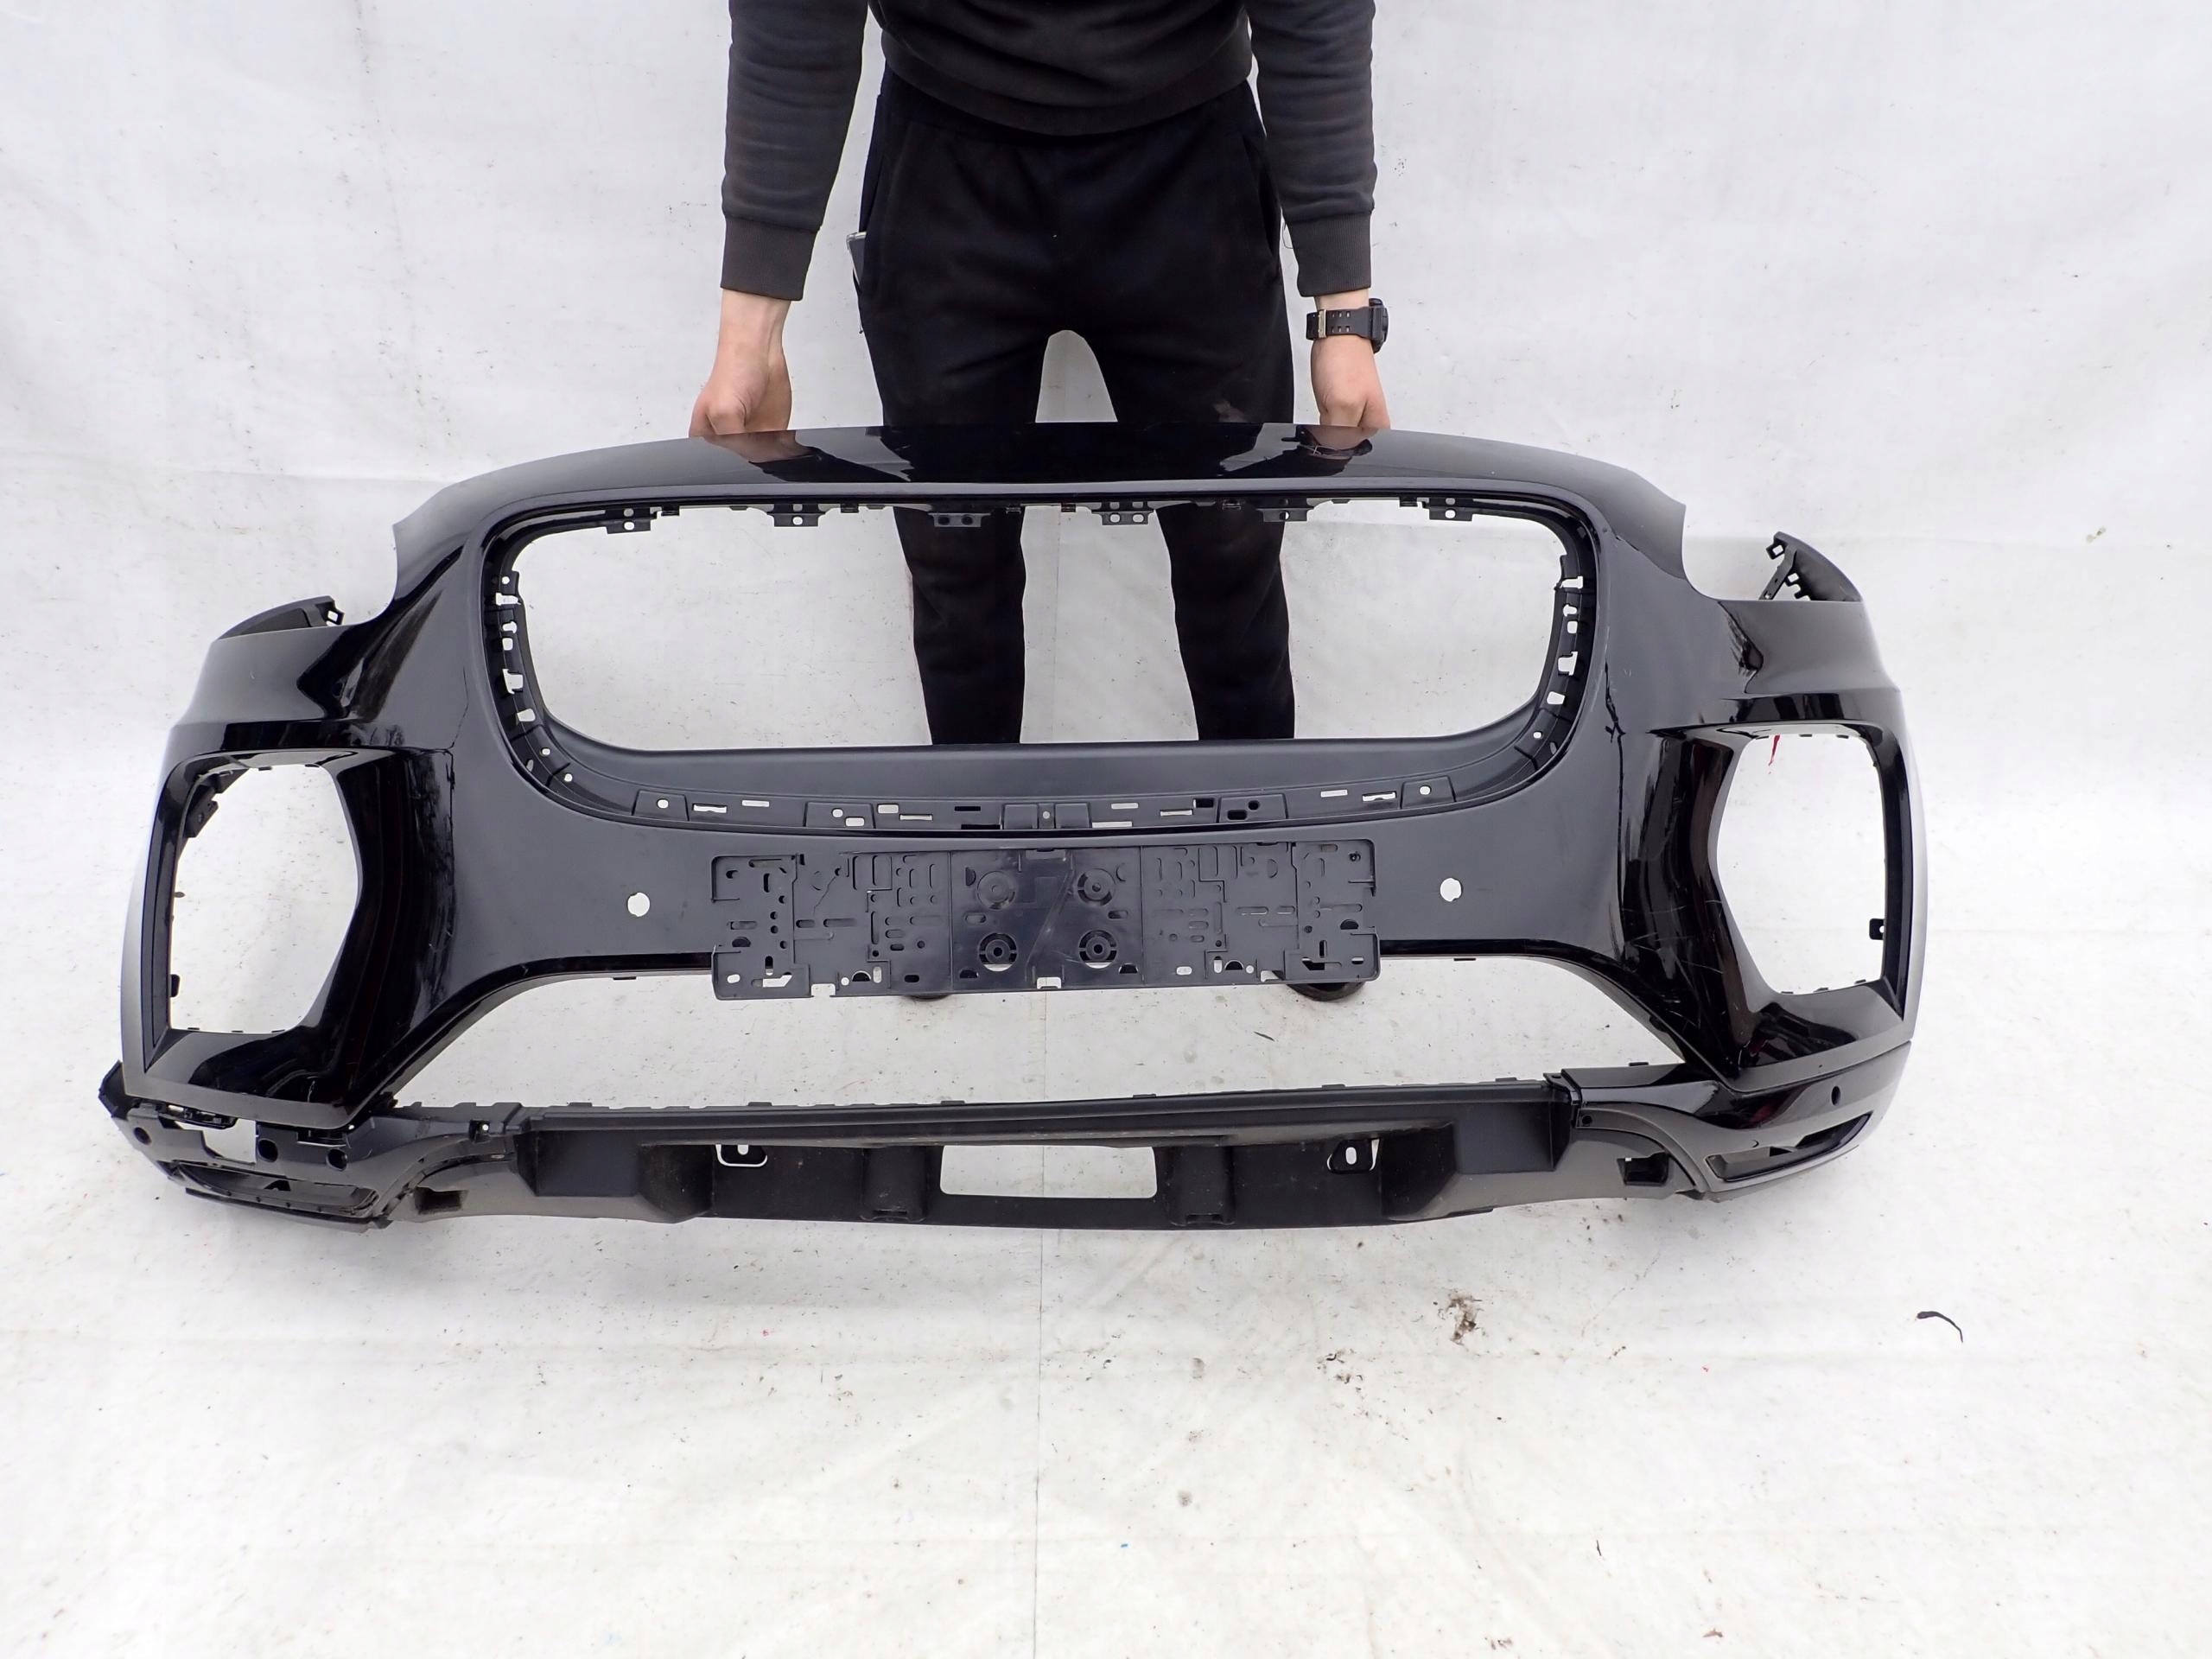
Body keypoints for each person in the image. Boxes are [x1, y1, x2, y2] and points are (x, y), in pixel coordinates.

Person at [691, 0, 1389, 747]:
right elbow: (794, 18)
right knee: (954, 560)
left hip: (1191, 163)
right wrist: (750, 333)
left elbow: (1315, 13)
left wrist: (1343, 316)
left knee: (1234, 545)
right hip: (946, 164)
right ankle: (977, 820)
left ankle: (1252, 815)